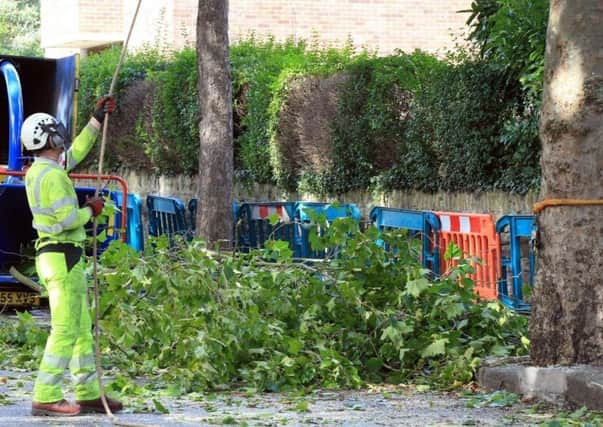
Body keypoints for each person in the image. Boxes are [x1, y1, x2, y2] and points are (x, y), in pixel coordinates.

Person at [20, 97, 124, 417]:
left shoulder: (44, 170)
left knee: (80, 327)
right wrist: (89, 210)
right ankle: (46, 394)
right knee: (66, 328)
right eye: (56, 133)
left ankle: (88, 391)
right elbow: (66, 221)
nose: (61, 137)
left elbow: (75, 153)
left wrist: (95, 121)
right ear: (47, 139)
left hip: (61, 258)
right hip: (62, 256)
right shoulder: (51, 177)